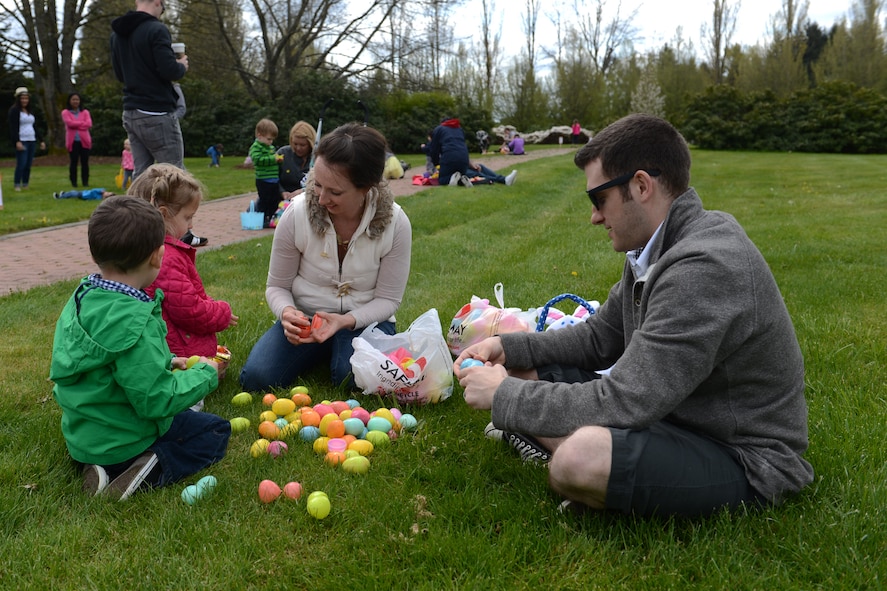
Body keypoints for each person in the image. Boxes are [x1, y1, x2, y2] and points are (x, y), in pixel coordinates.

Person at [454, 113, 813, 518]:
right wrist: (509, 346)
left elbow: (627, 399)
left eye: (598, 199)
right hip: (674, 417)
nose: (594, 216)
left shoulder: (706, 266)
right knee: (520, 369)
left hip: (742, 457)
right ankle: (575, 455)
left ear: (641, 186)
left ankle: (569, 460)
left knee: (580, 458)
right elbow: (599, 338)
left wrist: (505, 397)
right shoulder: (656, 247)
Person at [49, 195, 231, 500]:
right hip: (125, 438)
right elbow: (157, 400)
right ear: (157, 256)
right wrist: (206, 373)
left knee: (125, 433)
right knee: (214, 430)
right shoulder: (136, 319)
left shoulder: (82, 298)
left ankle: (98, 467)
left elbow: (109, 361)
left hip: (83, 437)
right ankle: (146, 469)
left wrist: (170, 360)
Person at [240, 122, 412, 391]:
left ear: (366, 187)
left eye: (335, 191)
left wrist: (345, 321)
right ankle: (325, 350)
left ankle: (338, 354)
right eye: (318, 185)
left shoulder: (395, 223)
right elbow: (277, 286)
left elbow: (388, 300)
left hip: (363, 320)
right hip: (306, 319)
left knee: (351, 380)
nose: (321, 199)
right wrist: (287, 313)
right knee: (257, 379)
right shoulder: (297, 214)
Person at [131, 164, 238, 398]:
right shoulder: (166, 257)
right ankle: (188, 397)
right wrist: (221, 312)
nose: (191, 225)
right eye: (187, 217)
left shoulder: (154, 252)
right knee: (191, 389)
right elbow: (189, 310)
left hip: (173, 346)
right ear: (163, 214)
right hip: (180, 351)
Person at [111, 0, 189, 177]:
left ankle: (136, 206)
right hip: (157, 112)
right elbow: (170, 70)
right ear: (157, 2)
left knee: (141, 176)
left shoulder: (117, 34)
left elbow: (120, 75)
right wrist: (181, 65)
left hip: (131, 112)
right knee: (173, 175)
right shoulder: (156, 30)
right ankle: (171, 206)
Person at [7, 87, 46, 191]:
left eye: (26, 98)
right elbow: (13, 127)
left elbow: (34, 126)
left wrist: (41, 140)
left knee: (28, 164)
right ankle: (17, 184)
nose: (24, 100)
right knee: (21, 163)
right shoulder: (14, 111)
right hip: (22, 139)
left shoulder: (29, 111)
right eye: (22, 98)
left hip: (31, 139)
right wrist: (17, 141)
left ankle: (25, 183)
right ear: (18, 99)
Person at [249, 118, 284, 228]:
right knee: (264, 200)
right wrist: (274, 159)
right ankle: (262, 218)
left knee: (274, 200)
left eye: (272, 139)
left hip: (274, 179)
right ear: (259, 135)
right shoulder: (256, 147)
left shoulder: (270, 147)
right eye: (269, 139)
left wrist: (278, 161)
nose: (271, 142)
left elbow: (272, 159)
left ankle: (272, 217)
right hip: (263, 180)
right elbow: (258, 159)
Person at [277, 121, 316, 199]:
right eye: (295, 144)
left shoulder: (317, 158)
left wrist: (303, 191)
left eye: (302, 145)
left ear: (310, 143)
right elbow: (271, 177)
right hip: (281, 201)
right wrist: (282, 192)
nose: (298, 148)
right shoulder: (282, 154)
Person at [61, 93, 93, 188]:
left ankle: (85, 182)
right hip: (73, 141)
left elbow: (89, 124)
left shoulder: (85, 112)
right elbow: (69, 123)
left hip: (84, 141)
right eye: (73, 99)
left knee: (85, 162)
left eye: (77, 100)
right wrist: (81, 124)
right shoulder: (65, 112)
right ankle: (74, 182)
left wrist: (76, 124)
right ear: (69, 101)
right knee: (73, 162)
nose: (75, 102)